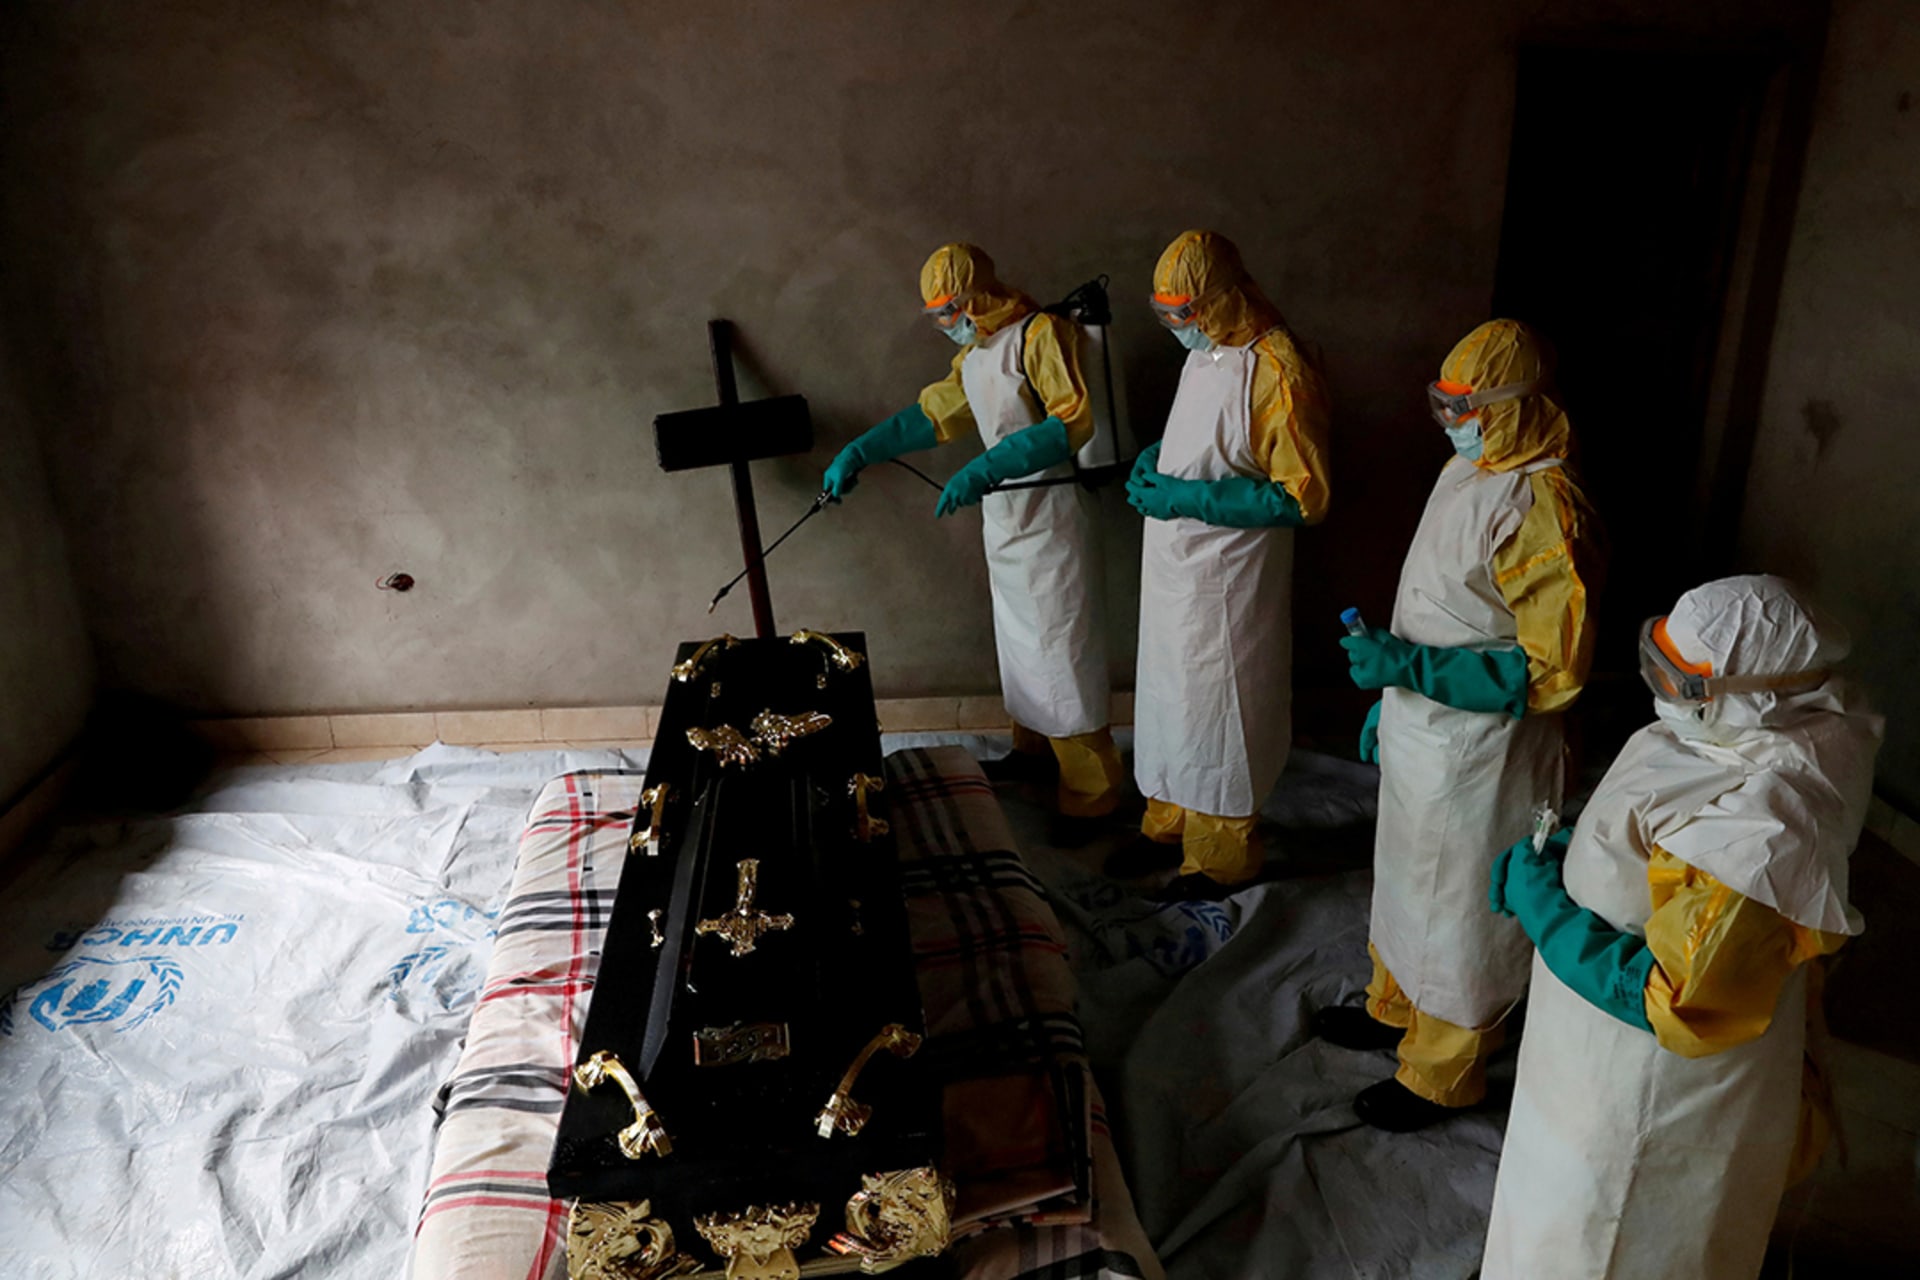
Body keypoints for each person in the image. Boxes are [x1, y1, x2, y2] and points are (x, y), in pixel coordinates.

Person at [1481, 575, 1881, 1280]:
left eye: (1684, 681)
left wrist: (1546, 909)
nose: (1663, 692)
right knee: (1550, 1222)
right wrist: (1572, 851)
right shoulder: (1725, 728)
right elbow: (1656, 830)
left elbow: (1679, 998)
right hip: (1584, 1064)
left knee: (1611, 1240)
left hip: (1654, 1097)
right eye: (1656, 662)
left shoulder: (1771, 825)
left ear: (1765, 691)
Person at [1320, 318, 1601, 1131]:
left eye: (1464, 405)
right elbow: (1442, 605)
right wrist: (1392, 695)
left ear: (1514, 407)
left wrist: (1408, 672)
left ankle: (1443, 1070)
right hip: (1426, 726)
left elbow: (1551, 672)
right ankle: (1393, 1007)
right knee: (1406, 879)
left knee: (1460, 912)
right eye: (1442, 403)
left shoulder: (1545, 506)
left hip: (1485, 750)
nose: (1451, 419)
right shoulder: (1466, 470)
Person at [821, 243, 1124, 832]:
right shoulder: (979, 356)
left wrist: (985, 466)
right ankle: (1033, 752)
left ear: (974, 297)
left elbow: (1070, 420)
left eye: (948, 310)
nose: (943, 323)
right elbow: (931, 416)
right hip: (1009, 520)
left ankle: (1095, 793)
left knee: (1062, 653)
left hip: (1052, 514)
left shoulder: (1041, 335)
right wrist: (862, 451)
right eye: (934, 314)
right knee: (1020, 647)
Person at [1109, 230, 1331, 902]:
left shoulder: (1278, 369)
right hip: (1177, 567)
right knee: (1169, 695)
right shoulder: (1206, 355)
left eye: (1186, 312)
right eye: (1166, 312)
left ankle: (1220, 856)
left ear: (1222, 300)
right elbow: (1204, 440)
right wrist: (1158, 463)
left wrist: (1190, 496)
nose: (1177, 325)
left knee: (1219, 707)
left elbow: (1304, 496)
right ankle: (1168, 821)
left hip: (1230, 578)